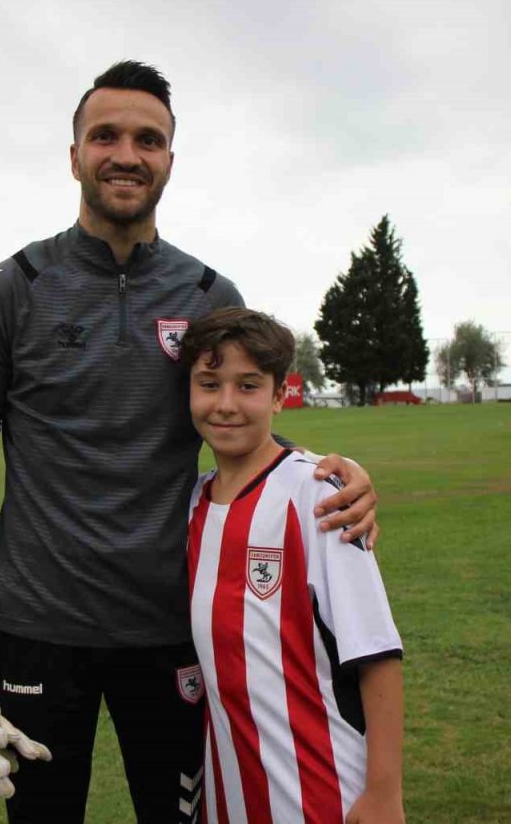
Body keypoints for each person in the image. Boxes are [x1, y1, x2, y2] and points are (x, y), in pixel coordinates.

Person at [0, 61, 380, 823]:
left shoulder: (207, 295)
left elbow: (239, 423)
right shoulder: (11, 287)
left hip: (173, 630)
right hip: (36, 629)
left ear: (170, 159)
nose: (126, 153)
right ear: (74, 157)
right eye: (105, 136)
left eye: (148, 139)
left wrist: (333, 473)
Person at [181, 308, 404, 824]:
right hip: (229, 796)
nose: (227, 404)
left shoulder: (320, 497)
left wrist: (385, 795)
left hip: (323, 794)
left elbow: (376, 653)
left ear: (281, 396)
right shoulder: (191, 505)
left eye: (249, 386)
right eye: (209, 384)